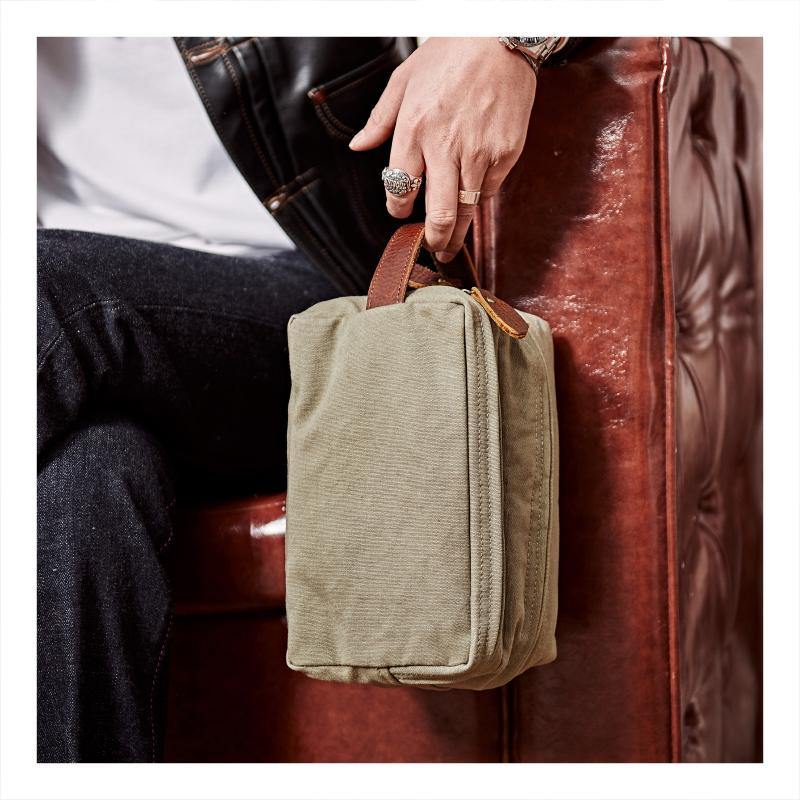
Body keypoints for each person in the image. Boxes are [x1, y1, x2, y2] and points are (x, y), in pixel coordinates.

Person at [37, 35, 572, 762]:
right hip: (78, 337)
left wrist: (506, 39)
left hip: (312, 288)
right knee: (88, 477)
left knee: (40, 292)